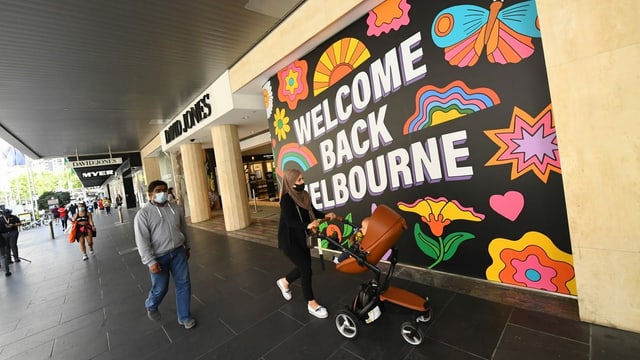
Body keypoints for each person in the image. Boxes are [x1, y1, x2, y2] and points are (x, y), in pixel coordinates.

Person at [134, 180, 196, 329]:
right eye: (158, 190)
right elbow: (142, 240)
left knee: (184, 284)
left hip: (178, 253)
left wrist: (187, 246)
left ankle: (184, 317)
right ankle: (151, 304)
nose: (162, 193)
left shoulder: (176, 208)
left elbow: (183, 229)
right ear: (150, 194)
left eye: (164, 190)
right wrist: (150, 261)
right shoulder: (143, 214)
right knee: (161, 288)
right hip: (159, 258)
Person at [275, 168, 336, 319]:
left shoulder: (304, 195)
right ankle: (311, 303)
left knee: (304, 267)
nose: (303, 182)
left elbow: (312, 212)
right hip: (289, 240)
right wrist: (307, 226)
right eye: (299, 180)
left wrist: (325, 215)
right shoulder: (286, 199)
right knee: (306, 270)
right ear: (290, 182)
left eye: (302, 179)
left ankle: (284, 281)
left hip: (302, 238)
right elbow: (289, 222)